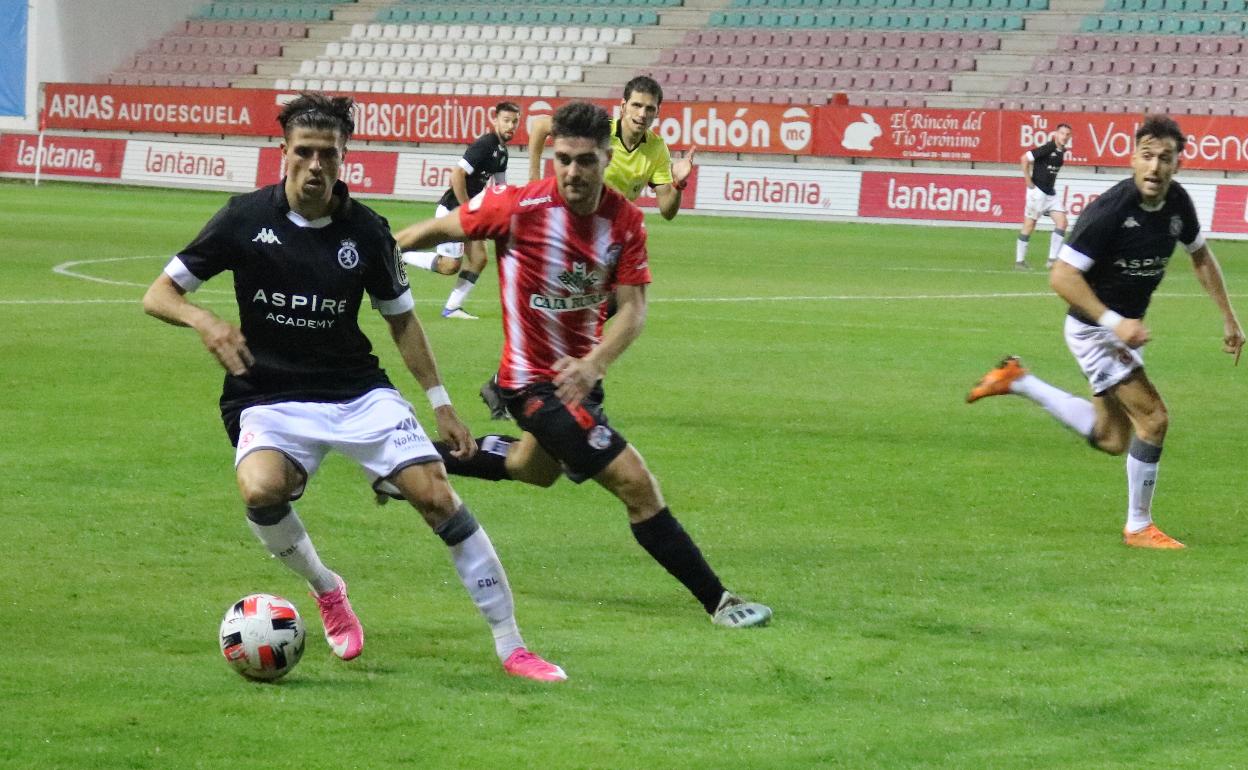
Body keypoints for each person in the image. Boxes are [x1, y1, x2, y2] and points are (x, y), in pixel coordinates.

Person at [141, 92, 565, 682]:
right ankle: (327, 588)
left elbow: (402, 320)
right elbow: (159, 294)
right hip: (269, 393)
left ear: (345, 158)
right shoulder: (243, 218)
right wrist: (205, 321)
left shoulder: (366, 230)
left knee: (437, 496)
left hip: (355, 391)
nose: (315, 165)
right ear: (283, 152)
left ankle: (512, 645)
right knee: (262, 489)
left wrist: (440, 403)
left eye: (328, 154)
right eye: (304, 152)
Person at [394, 101, 771, 629]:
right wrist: (379, 254)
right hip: (530, 385)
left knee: (531, 470)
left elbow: (633, 311)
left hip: (578, 384)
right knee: (636, 485)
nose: (573, 171)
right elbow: (434, 232)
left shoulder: (623, 222)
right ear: (553, 157)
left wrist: (594, 364)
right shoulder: (517, 206)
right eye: (563, 158)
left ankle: (404, 464)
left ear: (606, 158)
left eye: (586, 161)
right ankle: (719, 601)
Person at [969, 115, 1244, 549]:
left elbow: (1201, 256)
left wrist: (1229, 317)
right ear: (1133, 157)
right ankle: (1138, 527)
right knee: (1154, 419)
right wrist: (1115, 323)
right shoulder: (1111, 210)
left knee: (1113, 438)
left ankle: (1019, 381)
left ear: (1178, 164)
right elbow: (1061, 277)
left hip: (1120, 333)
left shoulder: (1178, 204)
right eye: (1147, 156)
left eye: (1165, 159)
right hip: (1095, 330)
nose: (1155, 168)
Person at [474, 75, 697, 419]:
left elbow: (667, 210)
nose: (642, 113)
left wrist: (678, 182)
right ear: (622, 106)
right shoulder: (596, 131)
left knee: (590, 316)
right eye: (636, 105)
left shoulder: (656, 149)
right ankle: (547, 391)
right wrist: (536, 178)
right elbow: (539, 126)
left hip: (606, 248)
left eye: (649, 109)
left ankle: (516, 385)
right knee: (585, 315)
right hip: (567, 237)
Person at [402, 101, 521, 320]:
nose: (510, 125)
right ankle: (403, 256)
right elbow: (457, 174)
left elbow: (500, 189)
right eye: (506, 120)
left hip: (470, 213)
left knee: (479, 259)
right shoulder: (485, 144)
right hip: (453, 210)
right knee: (448, 266)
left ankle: (452, 308)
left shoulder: (502, 152)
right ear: (494, 120)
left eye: (515, 121)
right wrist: (467, 207)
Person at [1014, 122, 1072, 271]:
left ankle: (1052, 260)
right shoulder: (1048, 148)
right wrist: (1028, 181)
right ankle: (1019, 262)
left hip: (1050, 194)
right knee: (1030, 224)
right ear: (1056, 134)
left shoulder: (1061, 151)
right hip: (1037, 192)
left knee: (1062, 222)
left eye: (1067, 134)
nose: (1064, 137)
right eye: (1062, 133)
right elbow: (1024, 158)